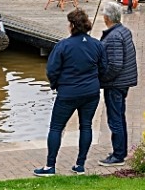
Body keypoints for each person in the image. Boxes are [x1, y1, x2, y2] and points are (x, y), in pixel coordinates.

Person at [33, 9, 107, 177]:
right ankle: (80, 165)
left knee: (56, 127)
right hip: (91, 93)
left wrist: (56, 85)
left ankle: (50, 166)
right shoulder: (97, 45)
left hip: (68, 93)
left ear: (72, 25)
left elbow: (52, 70)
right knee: (86, 126)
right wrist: (95, 83)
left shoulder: (63, 45)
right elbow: (104, 68)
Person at [98, 2, 138, 167]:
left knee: (115, 119)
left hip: (116, 84)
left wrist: (103, 79)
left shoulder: (114, 36)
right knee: (119, 116)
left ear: (107, 18)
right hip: (123, 81)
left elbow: (115, 65)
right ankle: (120, 150)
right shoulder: (123, 31)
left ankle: (118, 155)